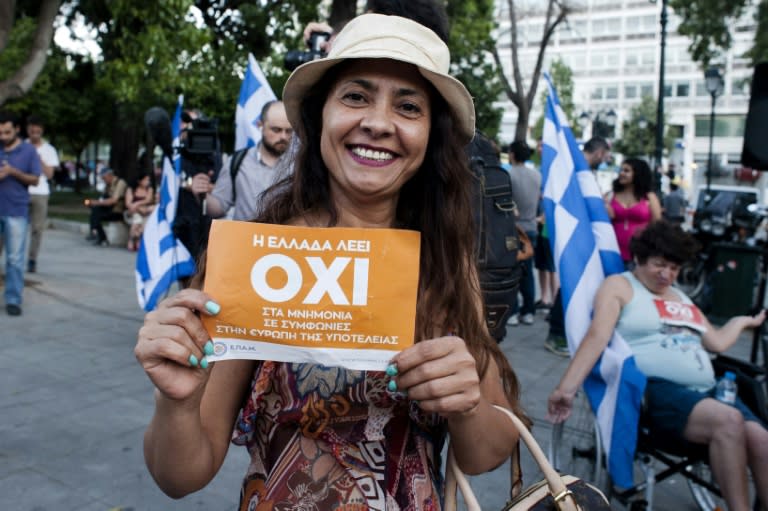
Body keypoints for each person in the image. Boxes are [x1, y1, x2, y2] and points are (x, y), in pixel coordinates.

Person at [135, 14, 526, 509]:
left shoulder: (444, 263)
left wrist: (466, 401)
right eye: (356, 96)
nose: (379, 123)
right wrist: (177, 401)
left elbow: (486, 454)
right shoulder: (256, 257)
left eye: (408, 106)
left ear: (431, 136)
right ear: (321, 116)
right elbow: (180, 476)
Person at [547, 220, 768, 511]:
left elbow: (715, 343)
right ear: (639, 258)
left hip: (707, 390)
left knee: (761, 438)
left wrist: (742, 322)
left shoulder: (683, 298)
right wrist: (567, 388)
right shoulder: (621, 286)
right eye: (659, 265)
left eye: (674, 269)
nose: (666, 275)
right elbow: (597, 335)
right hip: (657, 391)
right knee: (729, 421)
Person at [545, 136, 611, 356]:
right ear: (600, 153)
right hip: (570, 232)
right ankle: (557, 333)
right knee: (568, 281)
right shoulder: (576, 168)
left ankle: (560, 331)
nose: (606, 159)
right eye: (607, 155)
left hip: (572, 231)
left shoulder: (575, 166)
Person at [190, 100, 293, 221]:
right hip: (244, 238)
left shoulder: (302, 165)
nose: (283, 137)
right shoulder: (237, 161)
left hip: (286, 239)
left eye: (289, 131)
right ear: (260, 125)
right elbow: (219, 207)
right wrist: (202, 195)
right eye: (276, 130)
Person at [0, 111, 41, 316]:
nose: (3, 136)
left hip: (16, 210)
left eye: (7, 132)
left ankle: (13, 299)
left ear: (17, 129)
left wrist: (12, 172)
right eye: (0, 132)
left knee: (14, 259)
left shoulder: (29, 151)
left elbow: (35, 179)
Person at [505, 140, 541, 327]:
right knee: (528, 272)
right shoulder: (537, 175)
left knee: (511, 271)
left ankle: (513, 311)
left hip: (514, 230)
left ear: (512, 154)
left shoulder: (508, 175)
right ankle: (529, 311)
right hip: (532, 228)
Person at [604, 157, 662, 266]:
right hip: (611, 252)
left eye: (626, 170)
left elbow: (657, 227)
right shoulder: (610, 195)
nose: (621, 173)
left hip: (638, 256)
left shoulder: (649, 197)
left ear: (638, 173)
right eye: (621, 170)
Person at [24, 115, 59, 273]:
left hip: (40, 192)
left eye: (37, 132)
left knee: (37, 228)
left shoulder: (49, 150)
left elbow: (50, 174)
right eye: (32, 131)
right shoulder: (21, 146)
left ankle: (32, 259)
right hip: (22, 191)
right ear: (28, 130)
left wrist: (38, 160)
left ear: (42, 131)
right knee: (12, 226)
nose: (34, 134)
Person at [85, 167, 127, 246]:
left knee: (95, 212)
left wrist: (96, 203)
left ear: (110, 175)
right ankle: (98, 235)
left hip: (117, 211)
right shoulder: (108, 185)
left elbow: (113, 200)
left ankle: (98, 235)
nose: (104, 180)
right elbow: (103, 198)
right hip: (108, 209)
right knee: (95, 211)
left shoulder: (120, 183)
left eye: (104, 178)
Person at [124, 172, 155, 251]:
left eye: (148, 180)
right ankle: (135, 240)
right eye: (146, 180)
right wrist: (139, 209)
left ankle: (134, 239)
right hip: (133, 212)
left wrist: (137, 203)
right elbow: (128, 204)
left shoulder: (149, 189)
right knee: (137, 219)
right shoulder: (131, 189)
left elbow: (148, 200)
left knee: (141, 221)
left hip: (146, 212)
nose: (148, 182)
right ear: (139, 181)